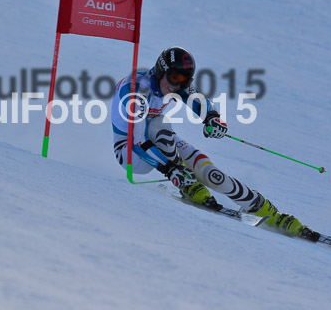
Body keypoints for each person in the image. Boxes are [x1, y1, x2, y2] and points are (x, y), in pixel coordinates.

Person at [111, 46, 314, 238]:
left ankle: (268, 211)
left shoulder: (173, 84)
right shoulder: (137, 91)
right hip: (130, 152)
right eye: (174, 78)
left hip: (160, 141)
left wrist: (212, 119)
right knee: (159, 125)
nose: (177, 86)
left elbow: (199, 101)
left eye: (184, 81)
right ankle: (187, 184)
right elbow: (138, 142)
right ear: (161, 70)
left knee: (213, 175)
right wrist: (169, 169)